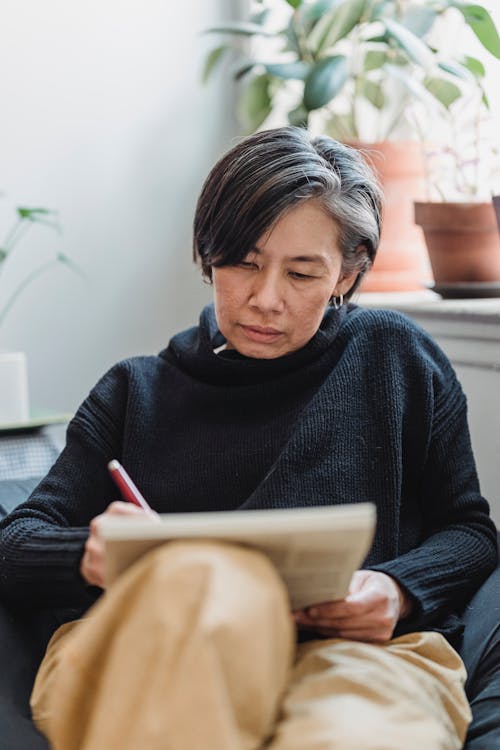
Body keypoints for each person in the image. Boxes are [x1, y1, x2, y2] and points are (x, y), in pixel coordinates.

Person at [0, 126, 497, 750]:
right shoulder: (135, 391)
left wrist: (396, 590)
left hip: (359, 653)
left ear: (348, 273)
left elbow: (470, 530)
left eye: (302, 273)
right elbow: (15, 544)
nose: (266, 300)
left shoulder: (397, 360)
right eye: (244, 263)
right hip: (163, 638)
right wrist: (88, 554)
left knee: (357, 732)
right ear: (209, 255)